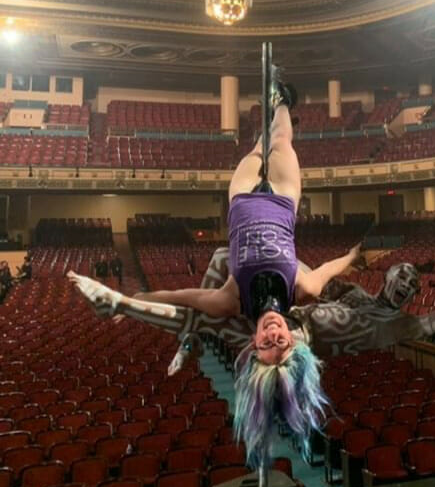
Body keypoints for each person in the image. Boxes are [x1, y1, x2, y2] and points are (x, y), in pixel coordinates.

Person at [69, 75, 368, 462]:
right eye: (281, 343)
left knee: (260, 146)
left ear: (254, 345)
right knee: (281, 142)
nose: (273, 335)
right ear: (293, 342)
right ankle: (283, 104)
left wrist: (131, 298)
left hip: (242, 200)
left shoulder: (232, 301)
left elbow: (183, 297)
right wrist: (353, 256)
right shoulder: (302, 291)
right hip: (283, 200)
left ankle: (272, 110)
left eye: (265, 345)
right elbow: (329, 267)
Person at [69, 245, 435, 464]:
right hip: (298, 317)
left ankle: (156, 324)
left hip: (302, 330)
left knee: (210, 292)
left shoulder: (402, 324)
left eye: (409, 285)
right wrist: (349, 260)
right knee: (217, 265)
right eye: (399, 277)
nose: (403, 284)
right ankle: (180, 339)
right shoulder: (360, 297)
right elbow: (318, 279)